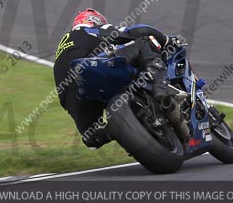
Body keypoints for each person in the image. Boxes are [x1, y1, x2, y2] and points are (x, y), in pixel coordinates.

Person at [53, 8, 170, 149]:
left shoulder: (61, 51)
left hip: (69, 93)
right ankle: (161, 88)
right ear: (94, 20)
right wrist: (166, 40)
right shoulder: (88, 30)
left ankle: (116, 129)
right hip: (92, 68)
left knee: (92, 138)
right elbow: (137, 31)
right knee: (144, 43)